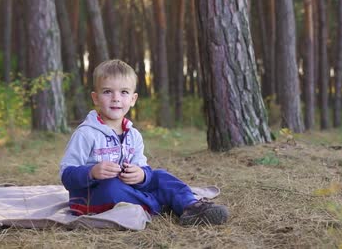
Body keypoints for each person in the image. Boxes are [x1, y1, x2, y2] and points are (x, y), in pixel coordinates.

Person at [59, 59, 229, 226]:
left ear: (133, 99)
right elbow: (67, 175)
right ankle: (160, 203)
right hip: (92, 197)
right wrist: (91, 172)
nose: (116, 98)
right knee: (111, 187)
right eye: (107, 92)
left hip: (127, 189)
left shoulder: (133, 135)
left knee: (159, 175)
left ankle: (191, 206)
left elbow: (142, 168)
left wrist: (141, 175)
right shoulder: (86, 133)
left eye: (124, 92)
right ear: (95, 98)